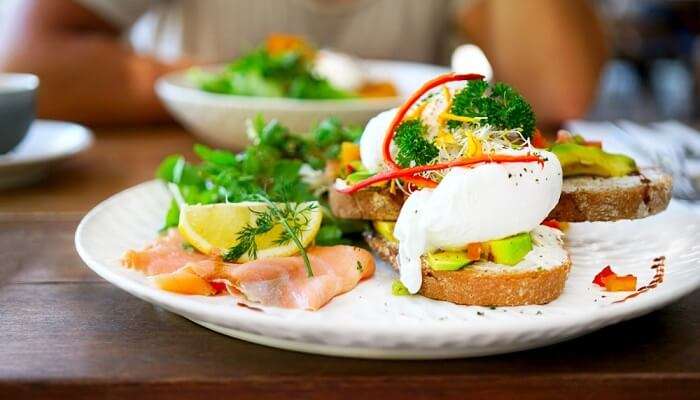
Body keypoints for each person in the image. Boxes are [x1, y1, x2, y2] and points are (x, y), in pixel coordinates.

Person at [0, 0, 607, 128]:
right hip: (190, 170)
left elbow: (556, 95)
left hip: (386, 187)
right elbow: (23, 59)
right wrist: (223, 90)